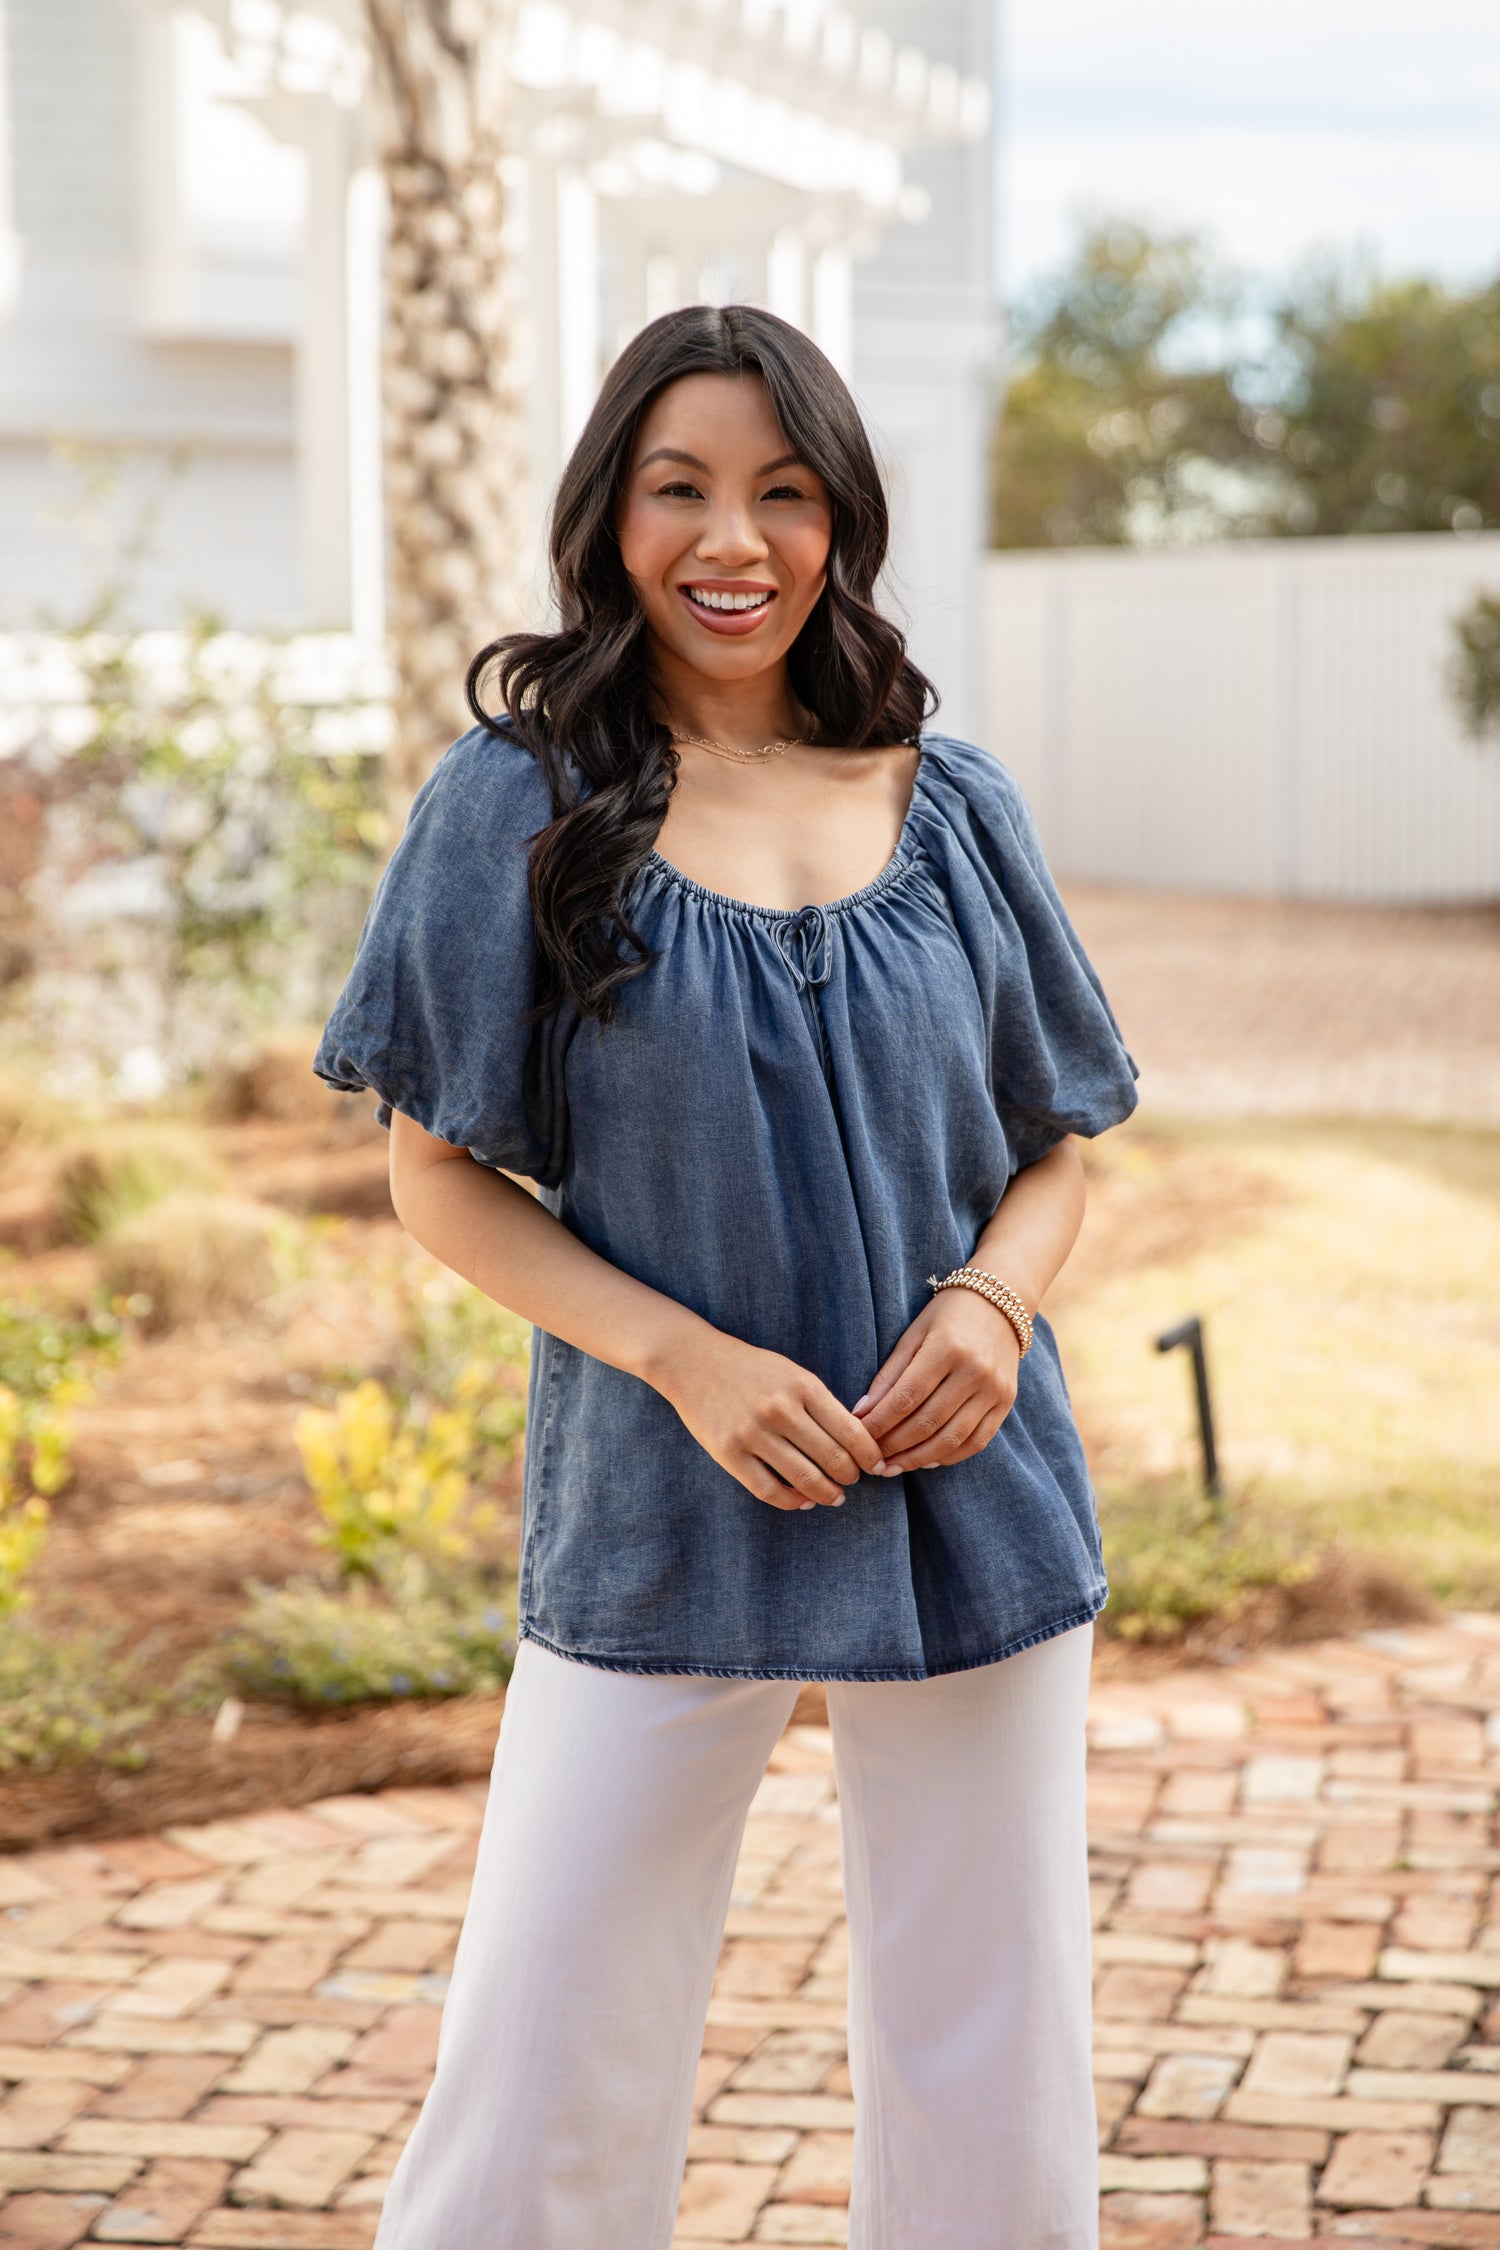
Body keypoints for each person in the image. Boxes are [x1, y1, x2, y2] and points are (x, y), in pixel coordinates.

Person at [316, 302, 1138, 2250]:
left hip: (969, 1491)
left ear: (841, 518)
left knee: (992, 2053)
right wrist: (683, 1356)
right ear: (611, 516)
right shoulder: (516, 799)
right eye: (679, 487)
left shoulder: (956, 802)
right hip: (661, 1498)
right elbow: (436, 1173)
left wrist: (994, 1305)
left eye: (783, 492)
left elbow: (1059, 1144)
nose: (733, 539)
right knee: (545, 2051)